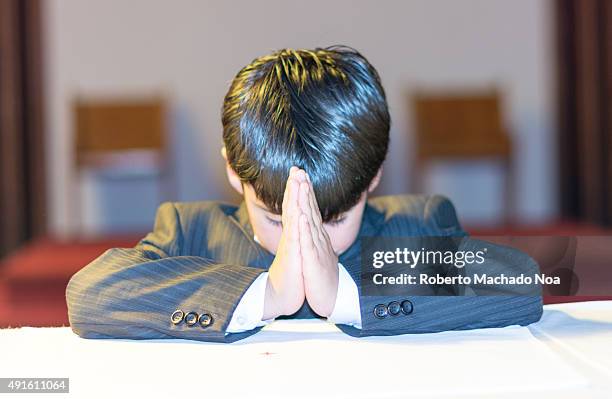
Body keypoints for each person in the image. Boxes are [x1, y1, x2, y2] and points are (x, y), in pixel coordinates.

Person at [66, 46, 542, 343]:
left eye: (331, 221)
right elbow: (89, 294)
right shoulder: (192, 231)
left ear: (374, 176)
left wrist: (346, 293)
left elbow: (522, 283)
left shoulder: (413, 224)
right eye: (276, 219)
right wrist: (265, 294)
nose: (304, 240)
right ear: (233, 171)